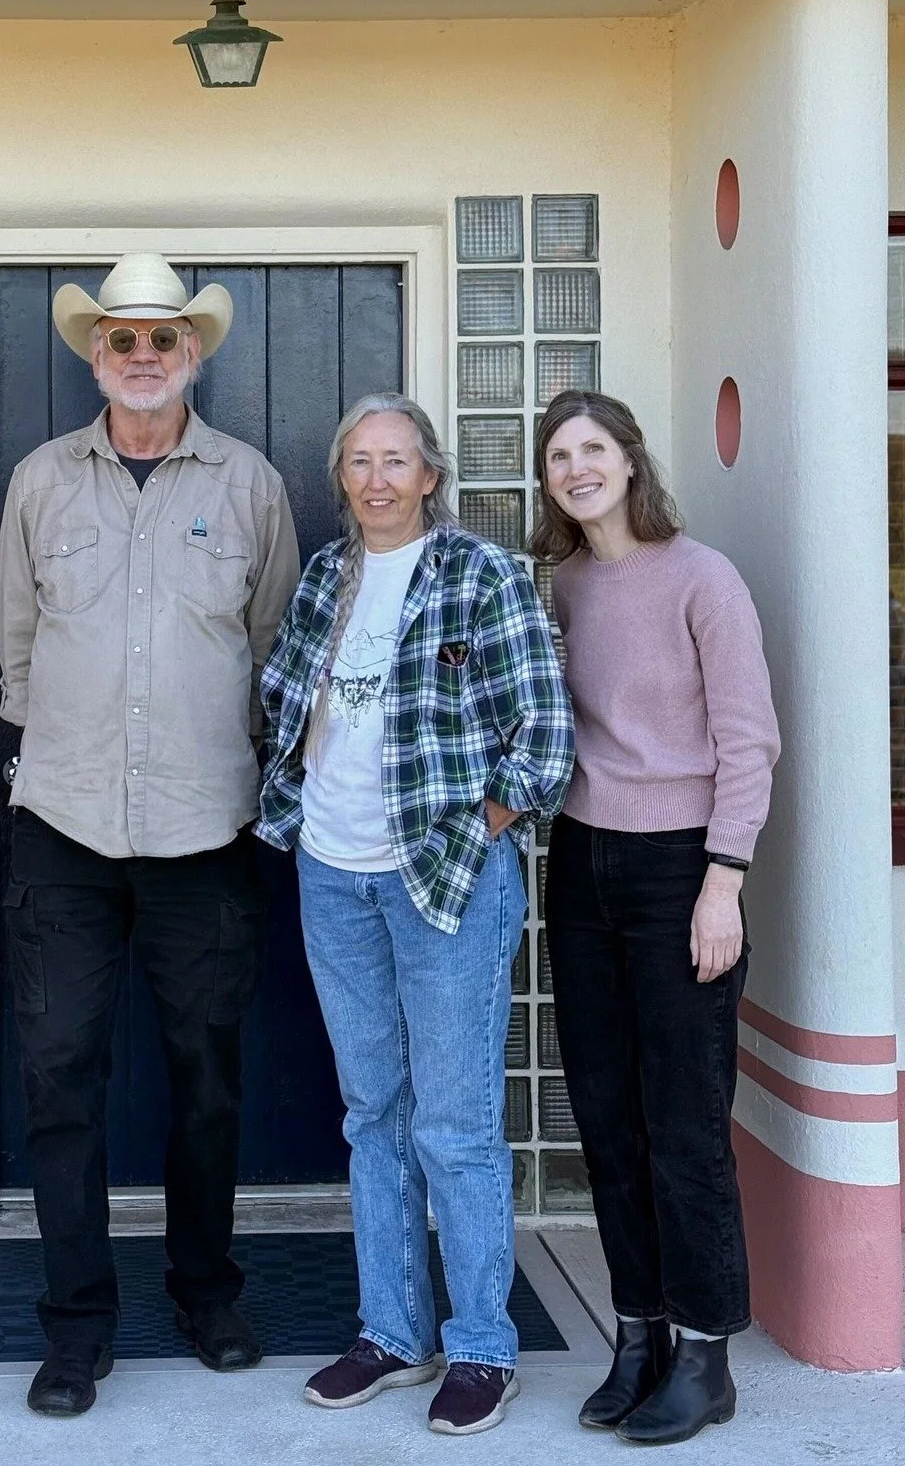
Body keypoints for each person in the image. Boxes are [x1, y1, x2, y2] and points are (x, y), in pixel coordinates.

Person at [0, 253, 299, 1417]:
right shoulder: (39, 482)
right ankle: (77, 1327)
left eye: (161, 338)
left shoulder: (251, 484)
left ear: (193, 353)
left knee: (207, 1082)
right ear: (94, 355)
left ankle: (206, 1293)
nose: (140, 356)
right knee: (59, 1080)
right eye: (120, 337)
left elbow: (272, 650)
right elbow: (18, 652)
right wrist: (63, 751)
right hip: (64, 826)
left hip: (205, 828)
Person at [258, 394, 572, 1438]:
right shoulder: (325, 577)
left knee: (455, 1122)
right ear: (341, 479)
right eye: (359, 461)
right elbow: (282, 699)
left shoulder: (482, 575)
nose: (377, 479)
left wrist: (479, 826)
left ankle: (482, 1345)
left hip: (444, 879)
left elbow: (545, 734)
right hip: (332, 873)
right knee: (374, 1115)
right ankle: (392, 1333)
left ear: (430, 475)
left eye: (396, 460)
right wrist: (298, 803)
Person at [535, 391, 779, 1445]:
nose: (577, 468)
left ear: (631, 461)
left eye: (593, 448)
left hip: (681, 868)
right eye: (558, 456)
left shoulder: (702, 578)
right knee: (605, 1113)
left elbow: (748, 739)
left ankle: (706, 1353)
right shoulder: (564, 585)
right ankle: (638, 1336)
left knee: (684, 1121)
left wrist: (724, 881)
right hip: (580, 861)